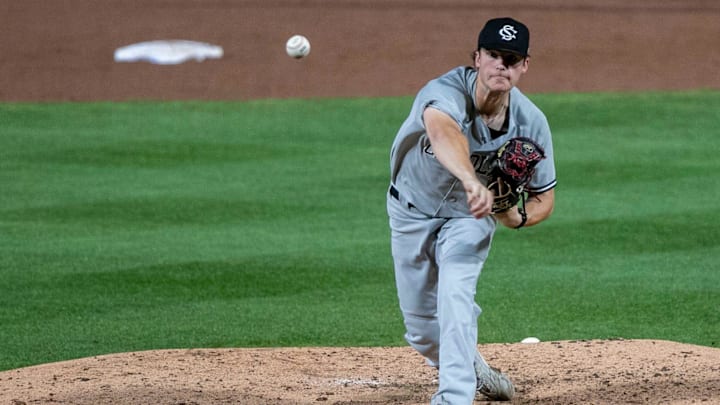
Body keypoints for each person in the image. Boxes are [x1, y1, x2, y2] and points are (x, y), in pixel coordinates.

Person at [386, 17, 557, 404]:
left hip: (470, 219)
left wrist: (516, 216)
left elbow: (544, 197)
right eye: (494, 55)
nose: (501, 65)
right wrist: (470, 180)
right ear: (477, 58)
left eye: (511, 59)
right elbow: (444, 133)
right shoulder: (443, 92)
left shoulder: (531, 122)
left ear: (524, 66)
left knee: (455, 297)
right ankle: (472, 367)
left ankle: (453, 398)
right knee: (421, 331)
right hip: (411, 212)